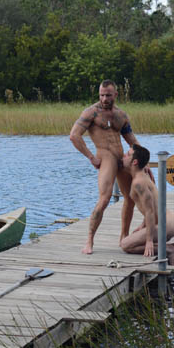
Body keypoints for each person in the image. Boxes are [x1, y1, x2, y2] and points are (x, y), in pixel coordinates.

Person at [69, 80, 141, 255]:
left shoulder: (121, 115)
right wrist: (91, 157)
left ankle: (123, 235)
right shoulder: (91, 112)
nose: (104, 99)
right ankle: (89, 240)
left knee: (130, 198)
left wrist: (142, 161)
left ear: (115, 94)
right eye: (101, 95)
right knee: (105, 198)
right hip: (105, 156)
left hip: (121, 157)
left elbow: (132, 140)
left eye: (108, 95)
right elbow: (74, 136)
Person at [119, 144, 174, 266]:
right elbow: (151, 204)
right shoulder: (142, 176)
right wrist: (143, 225)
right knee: (132, 239)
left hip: (167, 223)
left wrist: (149, 241)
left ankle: (169, 250)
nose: (124, 156)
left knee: (125, 245)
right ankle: (169, 249)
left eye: (127, 154)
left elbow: (150, 211)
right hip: (168, 221)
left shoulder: (139, 183)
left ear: (135, 162)